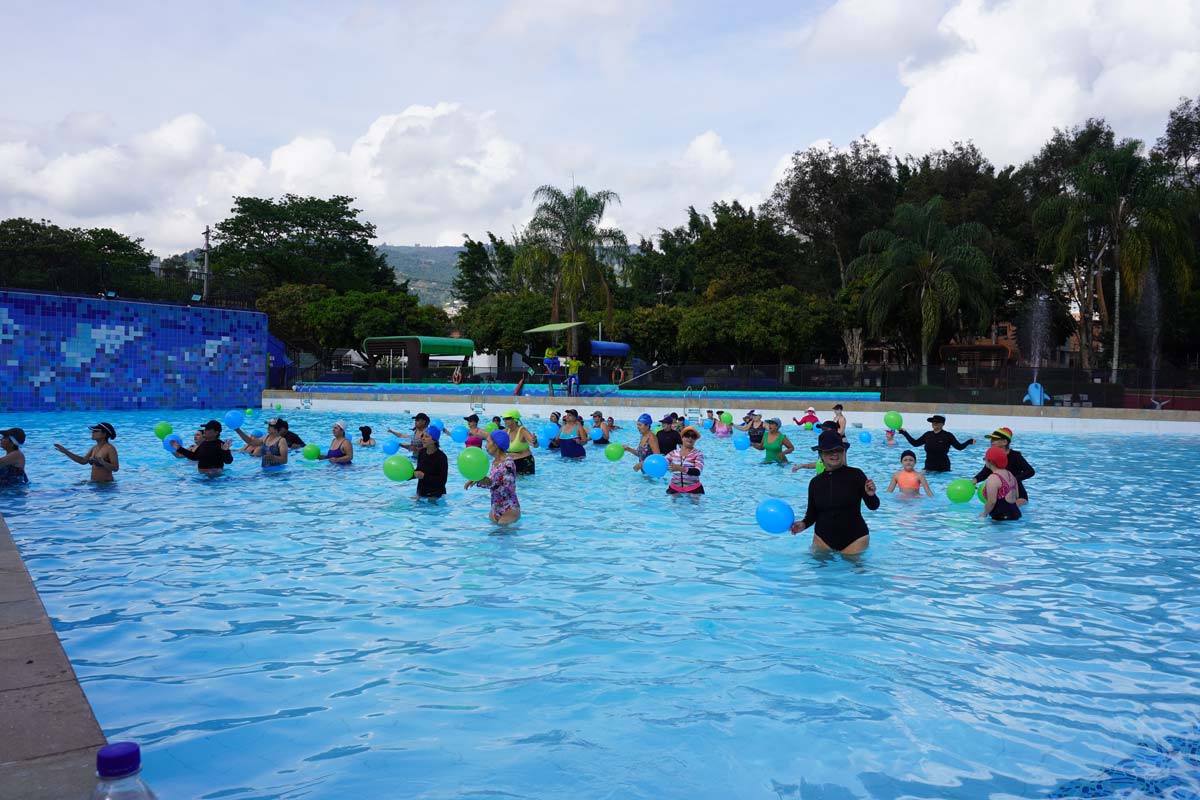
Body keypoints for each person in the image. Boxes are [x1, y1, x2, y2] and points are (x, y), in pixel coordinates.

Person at [790, 430, 879, 554]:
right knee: (819, 570)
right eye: (829, 451)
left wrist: (871, 495)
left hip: (855, 539)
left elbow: (873, 506)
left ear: (843, 451)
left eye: (838, 450)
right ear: (821, 454)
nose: (835, 454)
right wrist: (803, 524)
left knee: (853, 572)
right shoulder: (815, 482)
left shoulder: (856, 475)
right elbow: (812, 513)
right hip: (822, 539)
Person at [465, 430, 520, 524]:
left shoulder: (508, 463)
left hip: (509, 509)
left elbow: (508, 489)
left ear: (496, 444)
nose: (485, 446)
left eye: (488, 442)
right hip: (495, 509)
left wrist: (487, 481)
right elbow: (493, 484)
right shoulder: (495, 463)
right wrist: (479, 479)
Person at [973, 427, 1033, 505]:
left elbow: (1030, 471)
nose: (991, 441)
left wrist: (1014, 479)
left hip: (1017, 494)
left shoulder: (1016, 456)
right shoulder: (993, 456)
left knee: (1013, 507)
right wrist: (975, 480)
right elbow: (986, 471)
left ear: (1004, 442)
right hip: (1000, 493)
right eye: (991, 439)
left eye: (995, 439)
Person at [898, 415, 975, 472]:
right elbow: (915, 443)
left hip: (943, 468)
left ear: (942, 424)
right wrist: (905, 433)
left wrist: (968, 442)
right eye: (933, 422)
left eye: (937, 422)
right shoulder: (927, 435)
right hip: (929, 467)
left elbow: (959, 447)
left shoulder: (948, 435)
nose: (934, 423)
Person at [54, 422, 120, 482]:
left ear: (104, 434)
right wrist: (66, 452)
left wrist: (102, 462)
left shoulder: (110, 448)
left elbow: (115, 468)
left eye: (96, 431)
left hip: (106, 485)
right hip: (95, 483)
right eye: (93, 431)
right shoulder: (94, 448)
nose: (92, 433)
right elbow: (83, 461)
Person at [979, 446, 1022, 521]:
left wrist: (985, 513)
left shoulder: (993, 478)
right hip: (1016, 514)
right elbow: (1017, 495)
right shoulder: (1010, 474)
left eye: (985, 459)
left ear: (990, 461)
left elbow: (992, 502)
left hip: (1001, 518)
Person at [665, 425, 705, 495]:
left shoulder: (698, 454)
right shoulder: (673, 453)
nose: (690, 438)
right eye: (687, 435)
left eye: (693, 436)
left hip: (694, 490)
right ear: (682, 437)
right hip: (674, 489)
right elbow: (662, 463)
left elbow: (697, 472)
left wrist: (679, 468)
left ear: (695, 440)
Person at [412, 427, 448, 498]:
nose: (423, 438)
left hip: (435, 494)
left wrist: (424, 476)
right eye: (423, 436)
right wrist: (409, 475)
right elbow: (418, 471)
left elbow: (442, 481)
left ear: (434, 440)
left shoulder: (441, 457)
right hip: (421, 491)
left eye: (426, 436)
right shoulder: (422, 452)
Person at [501, 409, 538, 474]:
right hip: (512, 462)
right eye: (504, 419)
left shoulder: (522, 431)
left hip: (525, 462)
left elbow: (535, 445)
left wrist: (534, 441)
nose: (505, 420)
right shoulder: (506, 431)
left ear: (514, 419)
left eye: (507, 418)